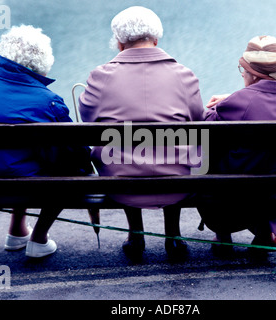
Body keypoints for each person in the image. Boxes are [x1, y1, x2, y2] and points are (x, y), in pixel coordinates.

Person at [0, 25, 95, 258]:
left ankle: (17, 231)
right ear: (41, 61)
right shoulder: (46, 101)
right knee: (67, 170)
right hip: (19, 187)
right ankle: (38, 239)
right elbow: (73, 154)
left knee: (18, 156)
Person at [79, 6, 205, 259]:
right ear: (156, 40)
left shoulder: (100, 76)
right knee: (177, 147)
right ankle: (173, 236)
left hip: (122, 182)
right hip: (178, 182)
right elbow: (197, 119)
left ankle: (136, 234)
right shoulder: (183, 74)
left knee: (120, 150)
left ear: (119, 42)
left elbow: (88, 119)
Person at [200, 35, 276, 255]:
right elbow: (264, 102)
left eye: (243, 70)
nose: (242, 74)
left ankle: (223, 234)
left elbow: (207, 126)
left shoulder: (238, 103)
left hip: (237, 188)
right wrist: (234, 96)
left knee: (204, 159)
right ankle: (265, 231)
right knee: (270, 159)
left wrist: (225, 102)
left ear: (253, 75)